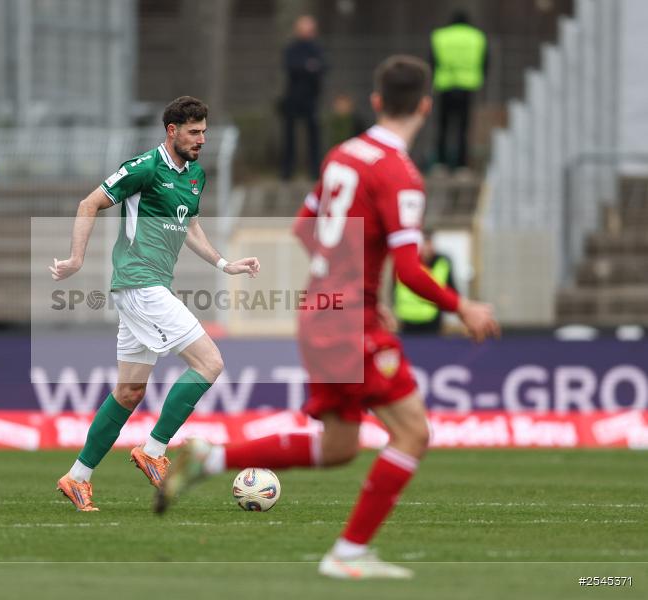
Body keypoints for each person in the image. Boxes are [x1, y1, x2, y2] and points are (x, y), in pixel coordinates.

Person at [156, 57, 499, 579]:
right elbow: (409, 269)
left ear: (377, 101)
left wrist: (351, 280)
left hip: (319, 311)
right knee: (412, 433)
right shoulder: (400, 173)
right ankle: (348, 553)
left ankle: (212, 457)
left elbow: (303, 227)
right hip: (348, 321)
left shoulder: (342, 155)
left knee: (339, 445)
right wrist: (463, 306)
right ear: (426, 107)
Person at [50, 96, 260, 511]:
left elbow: (191, 226)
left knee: (129, 392)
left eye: (204, 132)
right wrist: (75, 259)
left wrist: (224, 263)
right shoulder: (144, 167)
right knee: (210, 363)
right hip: (139, 283)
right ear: (172, 131)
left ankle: (77, 479)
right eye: (194, 132)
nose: (201, 139)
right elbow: (88, 203)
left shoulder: (195, 175)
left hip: (149, 286)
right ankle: (154, 450)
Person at [430, 10, 488, 169]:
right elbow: (485, 61)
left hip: (445, 85)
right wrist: (481, 78)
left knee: (443, 127)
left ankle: (440, 163)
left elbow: (432, 61)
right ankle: (462, 165)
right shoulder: (477, 37)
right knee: (464, 128)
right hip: (467, 86)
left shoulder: (440, 36)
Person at [280, 15, 326, 180]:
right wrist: (309, 67)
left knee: (314, 135)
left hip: (312, 98)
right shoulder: (292, 48)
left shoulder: (317, 48)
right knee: (289, 136)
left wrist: (307, 67)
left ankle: (315, 170)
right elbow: (292, 67)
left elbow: (323, 67)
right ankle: (287, 171)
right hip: (293, 98)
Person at [393, 229, 457, 333]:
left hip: (432, 322)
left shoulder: (442, 263)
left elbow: (452, 290)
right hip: (406, 321)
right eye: (424, 243)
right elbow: (394, 288)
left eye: (429, 243)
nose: (427, 248)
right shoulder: (405, 262)